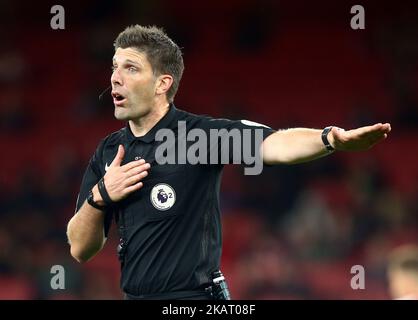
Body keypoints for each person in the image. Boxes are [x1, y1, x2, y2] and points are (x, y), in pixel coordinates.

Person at [66, 25, 391, 300]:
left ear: (162, 84)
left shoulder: (198, 137)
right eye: (114, 66)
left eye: (130, 68)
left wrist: (329, 138)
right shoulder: (109, 151)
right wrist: (100, 197)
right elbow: (80, 249)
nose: (114, 78)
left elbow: (273, 144)